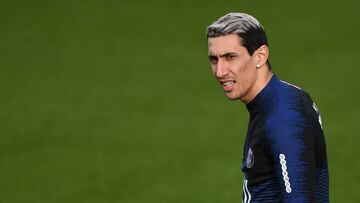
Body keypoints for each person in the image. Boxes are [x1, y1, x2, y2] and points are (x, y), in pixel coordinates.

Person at [206, 13, 329, 202]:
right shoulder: (277, 99)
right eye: (214, 59)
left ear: (260, 56)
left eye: (230, 57)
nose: (220, 71)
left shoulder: (283, 117)